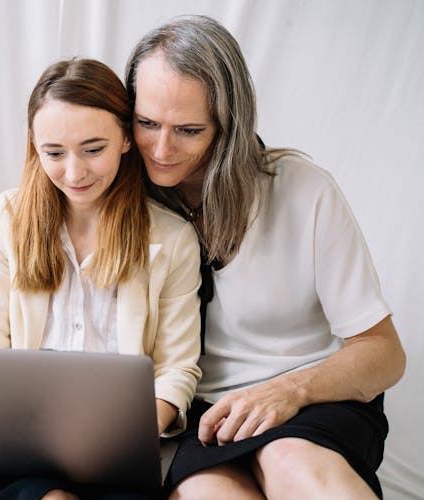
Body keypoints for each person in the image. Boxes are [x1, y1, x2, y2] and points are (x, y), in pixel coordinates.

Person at [124, 14, 407, 499]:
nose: (161, 149)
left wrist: (289, 391)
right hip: (199, 412)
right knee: (210, 494)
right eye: (147, 122)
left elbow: (385, 354)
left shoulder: (303, 190)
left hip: (313, 399)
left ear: (228, 126)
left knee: (289, 459)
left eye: (189, 130)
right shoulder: (121, 202)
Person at [0, 58, 202, 499]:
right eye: (55, 153)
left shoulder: (172, 238)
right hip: (18, 453)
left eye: (93, 149)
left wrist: (127, 435)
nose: (74, 173)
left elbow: (177, 368)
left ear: (125, 138)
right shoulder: (7, 220)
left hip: (118, 454)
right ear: (34, 145)